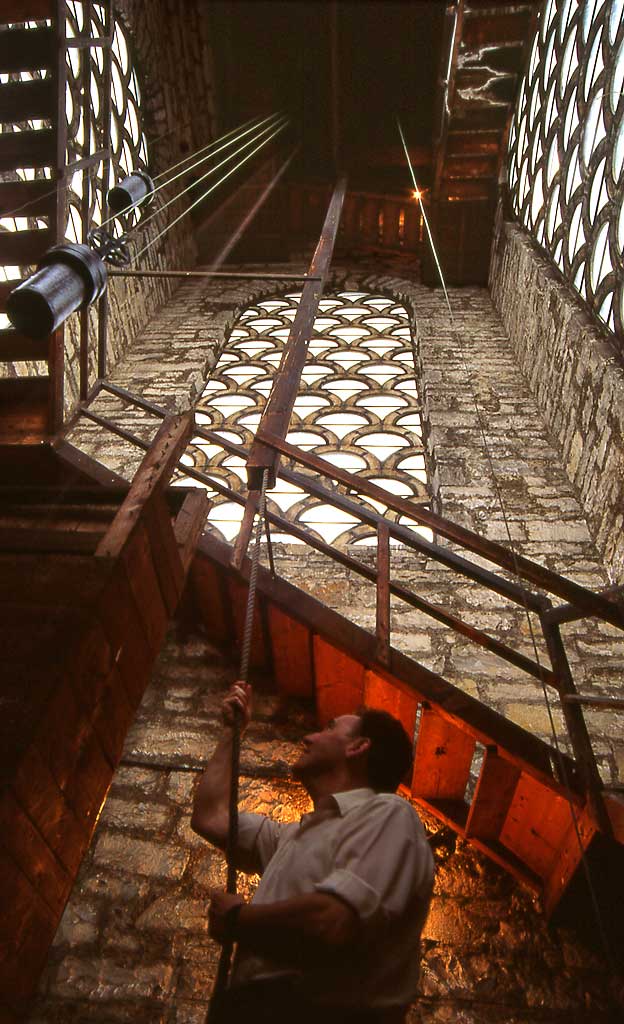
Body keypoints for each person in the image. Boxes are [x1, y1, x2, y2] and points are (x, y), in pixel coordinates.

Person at [191, 681, 435, 1024]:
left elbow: (332, 922)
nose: (309, 737)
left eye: (330, 727)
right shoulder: (292, 835)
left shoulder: (389, 814)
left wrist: (238, 919)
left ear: (359, 747)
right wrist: (233, 734)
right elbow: (210, 816)